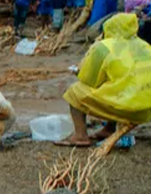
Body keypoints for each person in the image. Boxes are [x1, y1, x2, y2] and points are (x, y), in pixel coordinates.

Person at [59, 13, 151, 146]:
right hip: (146, 111)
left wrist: (79, 71)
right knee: (115, 87)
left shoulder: (104, 47)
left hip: (126, 108)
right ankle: (109, 129)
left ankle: (80, 136)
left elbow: (89, 80)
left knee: (75, 91)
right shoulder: (145, 46)